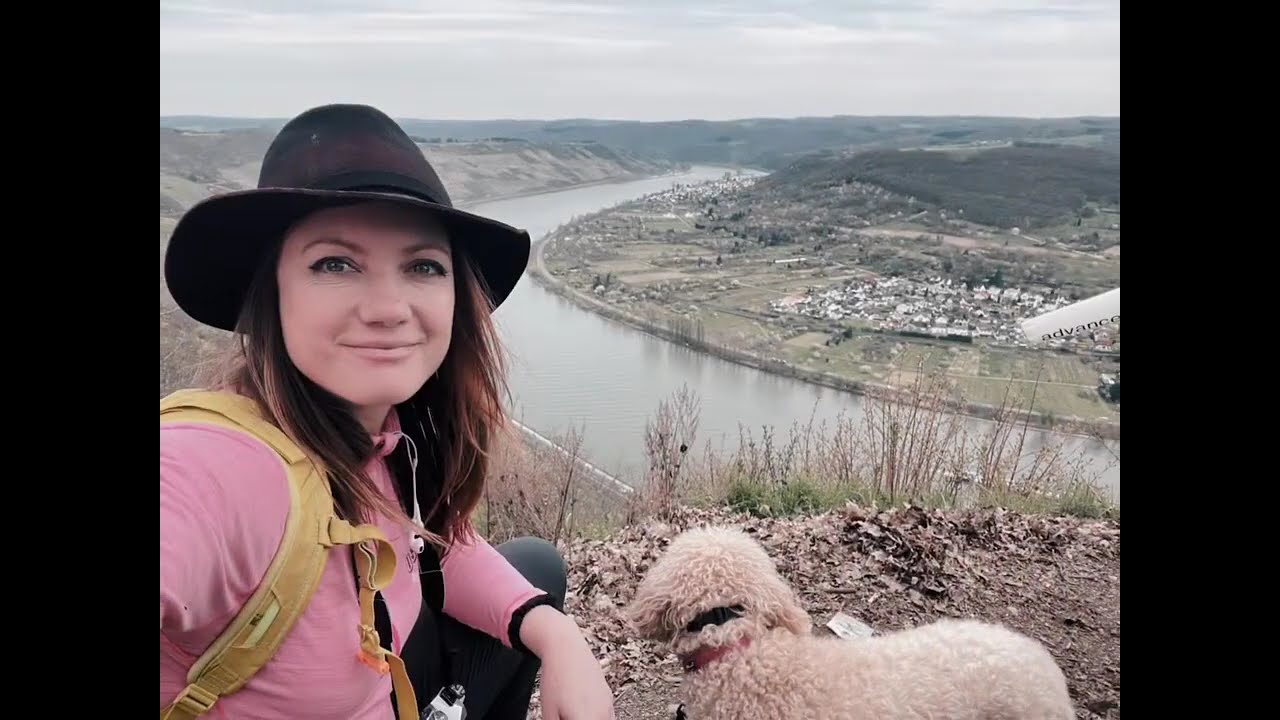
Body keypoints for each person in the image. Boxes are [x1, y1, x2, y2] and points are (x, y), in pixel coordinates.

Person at [160, 103, 616, 720]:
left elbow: (438, 549)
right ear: (269, 294)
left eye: (422, 266)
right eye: (335, 264)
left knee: (535, 569)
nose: (388, 308)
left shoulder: (380, 438)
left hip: (392, 679)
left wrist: (558, 636)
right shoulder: (224, 466)